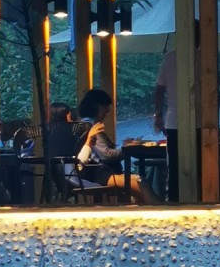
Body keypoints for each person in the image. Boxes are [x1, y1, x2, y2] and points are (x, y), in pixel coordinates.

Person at [77, 88, 162, 205]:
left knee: (140, 185)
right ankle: (159, 207)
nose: (107, 111)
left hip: (94, 173)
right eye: (105, 107)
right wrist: (126, 149)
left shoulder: (82, 124)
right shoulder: (92, 127)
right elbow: (106, 154)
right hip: (99, 174)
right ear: (97, 106)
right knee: (141, 183)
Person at [153, 21, 201, 202]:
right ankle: (199, 200)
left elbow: (159, 89)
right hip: (199, 121)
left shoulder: (170, 58)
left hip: (174, 122)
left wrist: (158, 113)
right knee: (199, 165)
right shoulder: (204, 57)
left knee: (174, 167)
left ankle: (173, 202)